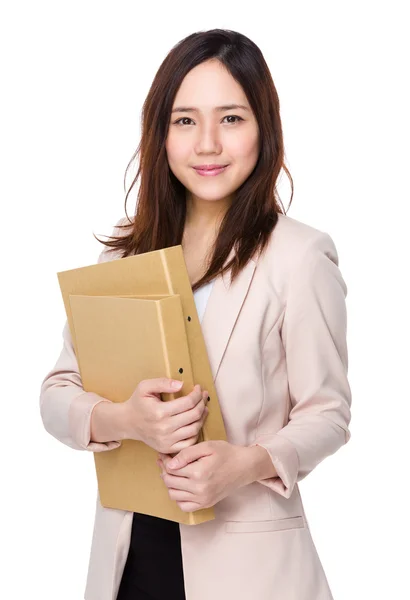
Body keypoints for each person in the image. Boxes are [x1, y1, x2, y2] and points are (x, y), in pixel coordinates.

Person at [39, 28, 352, 600]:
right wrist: (122, 421)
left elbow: (328, 414)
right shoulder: (126, 257)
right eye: (185, 120)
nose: (207, 143)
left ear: (265, 128)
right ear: (161, 134)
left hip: (250, 569)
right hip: (130, 558)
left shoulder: (300, 256)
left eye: (231, 118)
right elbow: (58, 393)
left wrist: (246, 463)